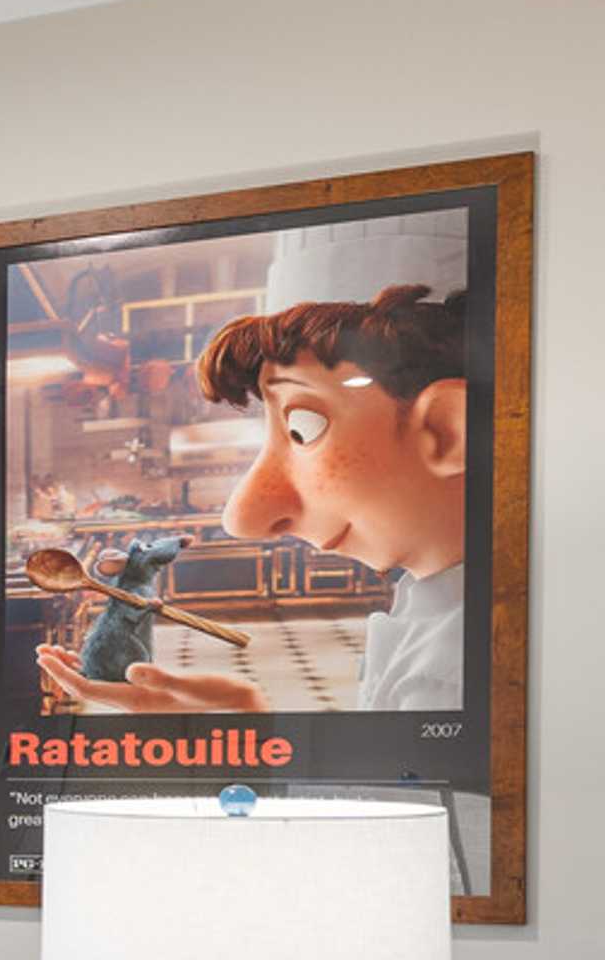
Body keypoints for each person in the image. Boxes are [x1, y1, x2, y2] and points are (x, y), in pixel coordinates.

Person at [35, 282, 467, 715]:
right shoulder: (428, 606)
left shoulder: (453, 670)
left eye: (303, 429)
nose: (240, 516)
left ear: (448, 430)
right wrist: (253, 730)